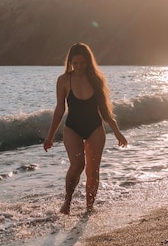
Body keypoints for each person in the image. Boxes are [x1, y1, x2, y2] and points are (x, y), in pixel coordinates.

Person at [44, 43, 128, 214]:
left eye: (83, 63)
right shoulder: (63, 80)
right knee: (77, 165)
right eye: (76, 63)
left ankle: (89, 208)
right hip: (72, 127)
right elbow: (60, 109)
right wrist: (50, 136)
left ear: (89, 62)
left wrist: (117, 132)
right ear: (70, 62)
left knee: (92, 169)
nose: (79, 67)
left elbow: (104, 109)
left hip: (95, 127)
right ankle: (67, 201)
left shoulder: (97, 79)